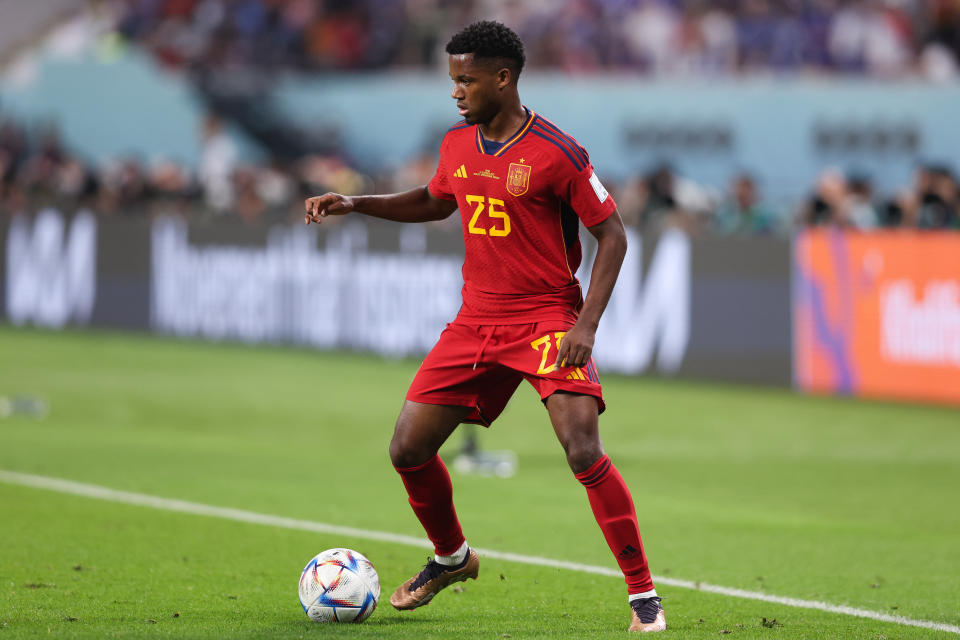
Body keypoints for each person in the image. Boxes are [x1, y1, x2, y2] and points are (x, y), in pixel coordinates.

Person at [304, 20, 666, 633]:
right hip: (476, 321)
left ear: (504, 78)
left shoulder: (559, 152)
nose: (456, 91)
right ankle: (452, 558)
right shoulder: (456, 145)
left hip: (548, 318)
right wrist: (356, 203)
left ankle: (643, 597)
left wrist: (587, 323)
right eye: (453, 80)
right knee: (408, 448)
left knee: (582, 447)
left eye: (466, 80)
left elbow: (614, 234)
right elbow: (435, 201)